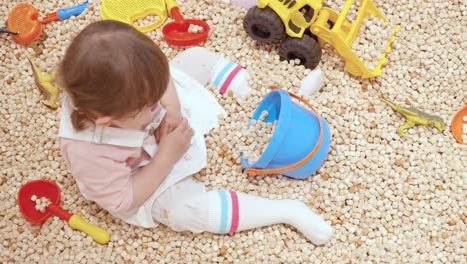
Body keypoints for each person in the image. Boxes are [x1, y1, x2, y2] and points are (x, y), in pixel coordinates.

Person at [57, 20, 332, 245]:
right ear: (105, 120)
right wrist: (166, 156)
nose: (156, 105)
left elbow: (163, 78)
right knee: (186, 213)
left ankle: (251, 94)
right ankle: (284, 210)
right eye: (148, 105)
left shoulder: (134, 83)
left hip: (154, 119)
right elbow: (122, 199)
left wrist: (172, 109)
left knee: (195, 59)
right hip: (144, 173)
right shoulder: (90, 152)